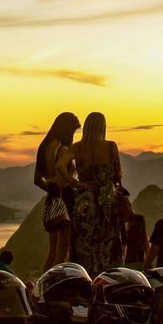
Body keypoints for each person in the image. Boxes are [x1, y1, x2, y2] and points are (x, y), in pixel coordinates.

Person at [57, 111, 124, 278]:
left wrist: (73, 182)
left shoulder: (77, 147)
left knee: (83, 241)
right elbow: (118, 174)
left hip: (84, 200)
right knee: (107, 240)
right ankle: (106, 279)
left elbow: (59, 165)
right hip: (106, 200)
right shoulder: (110, 146)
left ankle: (84, 278)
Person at [34, 112, 80, 271]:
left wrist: (52, 188)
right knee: (63, 252)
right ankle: (55, 287)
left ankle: (43, 286)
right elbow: (62, 174)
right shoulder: (62, 149)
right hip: (65, 199)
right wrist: (73, 183)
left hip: (51, 200)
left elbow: (37, 180)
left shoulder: (44, 147)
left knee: (52, 253)